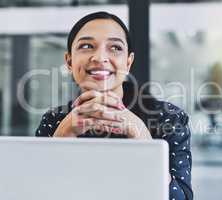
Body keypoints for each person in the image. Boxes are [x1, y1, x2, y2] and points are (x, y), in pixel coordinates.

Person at [35, 11, 193, 200]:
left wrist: (143, 138)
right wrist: (61, 136)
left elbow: (181, 197)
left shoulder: (169, 118)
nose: (100, 57)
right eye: (86, 46)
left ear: (128, 62)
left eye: (115, 48)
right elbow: (33, 191)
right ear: (69, 61)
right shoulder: (54, 120)